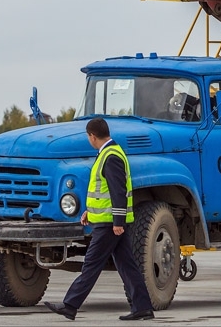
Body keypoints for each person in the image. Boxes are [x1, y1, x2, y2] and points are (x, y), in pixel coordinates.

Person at [44, 117, 155, 321]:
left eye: (88, 137)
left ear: (92, 136)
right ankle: (143, 307)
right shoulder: (108, 153)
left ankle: (70, 305)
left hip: (110, 224)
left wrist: (118, 223)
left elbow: (118, 191)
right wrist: (89, 212)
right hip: (107, 220)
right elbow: (101, 192)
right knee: (127, 266)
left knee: (91, 265)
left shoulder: (110, 156)